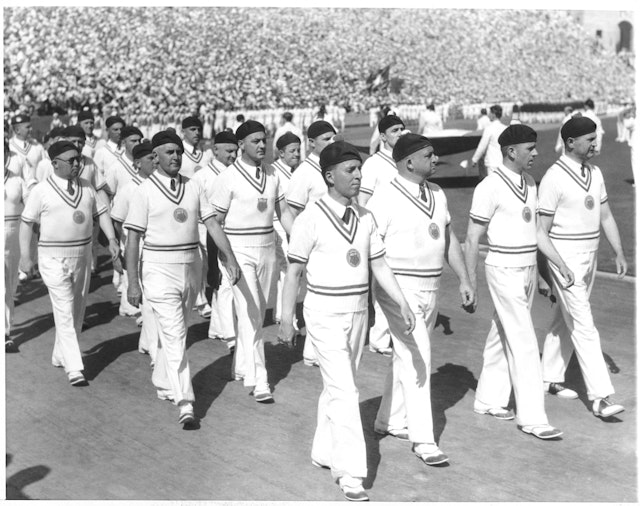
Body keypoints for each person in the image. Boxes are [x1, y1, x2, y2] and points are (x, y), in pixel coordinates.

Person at [278, 141, 415, 502]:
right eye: (350, 170)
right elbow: (294, 272)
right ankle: (351, 472)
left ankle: (323, 450)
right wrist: (285, 316)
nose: (358, 176)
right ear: (329, 175)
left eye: (359, 169)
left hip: (358, 312)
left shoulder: (366, 217)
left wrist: (401, 302)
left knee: (342, 384)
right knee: (345, 391)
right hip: (322, 313)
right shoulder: (310, 217)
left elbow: (380, 265)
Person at [367, 133, 475, 464]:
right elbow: (371, 248)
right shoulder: (384, 196)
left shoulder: (438, 194)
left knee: (407, 356)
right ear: (409, 161)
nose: (434, 160)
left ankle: (388, 420)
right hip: (398, 288)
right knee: (419, 357)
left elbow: (447, 239)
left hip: (431, 285)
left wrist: (464, 278)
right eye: (428, 155)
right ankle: (423, 439)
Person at [125, 130, 240, 425]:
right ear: (155, 157)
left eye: (178, 152)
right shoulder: (144, 191)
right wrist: (133, 282)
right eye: (168, 152)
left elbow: (212, 223)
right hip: (158, 267)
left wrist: (229, 257)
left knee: (176, 330)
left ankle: (163, 379)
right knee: (175, 334)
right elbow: (134, 239)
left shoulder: (194, 186)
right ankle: (185, 401)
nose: (175, 157)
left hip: (191, 265)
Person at [464, 124, 564, 440]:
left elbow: (536, 233)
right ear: (511, 151)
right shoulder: (489, 187)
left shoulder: (530, 183)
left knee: (502, 330)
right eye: (530, 148)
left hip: (527, 269)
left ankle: (488, 399)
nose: (536, 153)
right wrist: (469, 283)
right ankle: (532, 417)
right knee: (524, 339)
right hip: (502, 268)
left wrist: (558, 266)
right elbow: (471, 238)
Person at [538, 116, 627, 419]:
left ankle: (549, 377)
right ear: (571, 142)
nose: (595, 143)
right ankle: (601, 397)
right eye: (589, 139)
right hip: (566, 259)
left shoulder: (596, 172)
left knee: (565, 320)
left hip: (590, 256)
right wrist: (553, 267)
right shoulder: (554, 177)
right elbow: (540, 231)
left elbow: (605, 216)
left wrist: (618, 251)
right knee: (584, 324)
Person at [19, 141, 122, 386]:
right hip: (52, 257)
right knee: (64, 309)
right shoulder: (41, 191)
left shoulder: (87, 186)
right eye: (71, 161)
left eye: (78, 159)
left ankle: (59, 354)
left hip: (83, 254)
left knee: (76, 309)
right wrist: (25, 256)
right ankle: (75, 367)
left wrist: (111, 239)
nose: (77, 164)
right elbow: (26, 223)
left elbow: (102, 212)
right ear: (54, 164)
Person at [211, 120, 295, 403]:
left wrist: (298, 241)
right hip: (239, 251)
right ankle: (260, 380)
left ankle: (241, 365)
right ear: (241, 145)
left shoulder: (272, 174)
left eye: (264, 140)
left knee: (257, 311)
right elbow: (216, 223)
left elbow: (283, 212)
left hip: (267, 249)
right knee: (251, 313)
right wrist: (228, 258)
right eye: (255, 141)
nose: (262, 145)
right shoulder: (228, 178)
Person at [285, 120, 336, 366]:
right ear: (311, 143)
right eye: (326, 139)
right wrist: (300, 243)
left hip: (335, 240)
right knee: (315, 296)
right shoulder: (304, 172)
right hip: (313, 242)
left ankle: (319, 348)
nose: (331, 143)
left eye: (333, 138)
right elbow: (291, 211)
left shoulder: (335, 166)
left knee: (331, 295)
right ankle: (312, 351)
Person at [358, 114, 406, 357]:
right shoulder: (373, 164)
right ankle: (378, 338)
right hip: (379, 231)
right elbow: (362, 200)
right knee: (383, 285)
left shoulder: (405, 161)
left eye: (402, 129)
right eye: (395, 130)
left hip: (402, 230)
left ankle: (389, 334)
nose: (400, 133)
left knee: (398, 283)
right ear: (383, 136)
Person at [110, 141, 157, 362]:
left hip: (155, 247)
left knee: (153, 300)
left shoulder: (159, 185)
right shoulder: (128, 189)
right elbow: (117, 221)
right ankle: (151, 345)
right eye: (151, 159)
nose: (156, 162)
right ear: (137, 163)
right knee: (146, 299)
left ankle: (148, 342)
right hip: (134, 247)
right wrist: (122, 247)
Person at [192, 130, 238, 349]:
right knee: (218, 276)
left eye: (235, 151)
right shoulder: (202, 176)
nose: (233, 155)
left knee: (224, 279)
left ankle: (218, 327)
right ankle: (228, 334)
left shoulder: (236, 172)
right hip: (205, 231)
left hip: (227, 231)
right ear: (215, 150)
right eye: (228, 151)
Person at [180, 115, 215, 318]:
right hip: (185, 210)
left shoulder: (205, 154)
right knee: (194, 256)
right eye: (192, 129)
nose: (196, 133)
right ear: (184, 131)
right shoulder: (179, 153)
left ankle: (198, 292)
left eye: (198, 129)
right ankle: (200, 299)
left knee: (206, 257)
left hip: (204, 209)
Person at [271, 132, 302, 325]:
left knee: (290, 269)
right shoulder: (273, 171)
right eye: (292, 151)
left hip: (294, 222)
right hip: (278, 223)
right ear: (281, 153)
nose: (297, 154)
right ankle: (287, 317)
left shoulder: (297, 170)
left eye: (298, 150)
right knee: (288, 269)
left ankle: (281, 312)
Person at [5, 141, 30, 352]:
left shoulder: (17, 180)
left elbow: (30, 209)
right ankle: (4, 331)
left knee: (9, 286)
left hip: (12, 236)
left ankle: (5, 328)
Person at [104, 126, 143, 199]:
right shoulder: (114, 168)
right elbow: (107, 197)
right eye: (133, 141)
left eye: (139, 141)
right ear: (123, 143)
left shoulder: (146, 164)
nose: (138, 144)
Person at [471, 104, 507, 178]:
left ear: (494, 114)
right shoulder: (505, 128)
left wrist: (475, 159)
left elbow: (482, 146)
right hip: (504, 162)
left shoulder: (489, 129)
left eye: (490, 113)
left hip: (492, 162)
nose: (488, 115)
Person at [8, 114, 42, 181]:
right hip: (17, 189)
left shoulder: (37, 146)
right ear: (17, 130)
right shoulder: (8, 147)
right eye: (28, 127)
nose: (31, 129)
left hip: (37, 188)